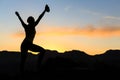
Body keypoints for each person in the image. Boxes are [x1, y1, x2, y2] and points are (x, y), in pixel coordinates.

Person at [15, 4, 50, 74]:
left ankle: (22, 73)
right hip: (26, 44)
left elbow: (21, 20)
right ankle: (38, 67)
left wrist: (18, 15)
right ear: (31, 21)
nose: (34, 21)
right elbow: (39, 18)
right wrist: (44, 11)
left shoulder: (28, 26)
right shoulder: (31, 26)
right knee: (42, 51)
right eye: (33, 20)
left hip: (25, 44)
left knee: (23, 60)